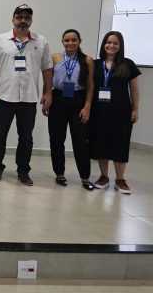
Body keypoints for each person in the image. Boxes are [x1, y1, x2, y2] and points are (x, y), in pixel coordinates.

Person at [0, 4, 52, 186]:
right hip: (4, 96)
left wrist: (48, 93)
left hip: (29, 98)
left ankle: (23, 171)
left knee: (26, 138)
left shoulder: (41, 42)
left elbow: (47, 69)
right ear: (13, 19)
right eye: (19, 17)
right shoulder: (0, 40)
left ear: (31, 20)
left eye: (27, 18)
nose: (23, 21)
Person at [89, 31, 141, 194]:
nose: (111, 45)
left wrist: (135, 108)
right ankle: (104, 177)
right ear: (104, 44)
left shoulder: (128, 64)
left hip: (121, 111)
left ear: (120, 46)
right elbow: (89, 87)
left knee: (120, 143)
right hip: (99, 111)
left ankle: (120, 179)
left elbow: (134, 88)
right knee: (101, 142)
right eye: (108, 42)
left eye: (116, 43)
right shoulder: (95, 64)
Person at [47, 29, 95, 190]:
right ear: (62, 41)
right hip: (58, 99)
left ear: (80, 41)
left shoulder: (87, 60)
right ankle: (59, 173)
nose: (70, 43)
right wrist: (47, 98)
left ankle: (85, 177)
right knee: (56, 139)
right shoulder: (55, 57)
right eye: (67, 40)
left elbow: (90, 85)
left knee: (80, 140)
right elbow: (48, 81)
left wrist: (87, 106)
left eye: (74, 40)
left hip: (78, 100)